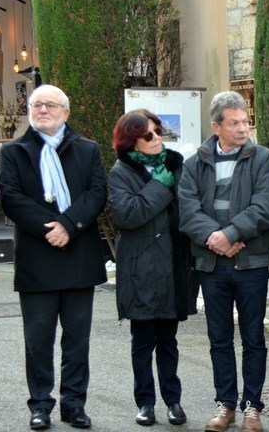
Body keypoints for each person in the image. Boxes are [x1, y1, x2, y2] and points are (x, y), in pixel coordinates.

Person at [0, 84, 107, 430]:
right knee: (38, 340)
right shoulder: (13, 152)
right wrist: (51, 228)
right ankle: (40, 404)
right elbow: (11, 197)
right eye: (37, 104)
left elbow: (96, 193)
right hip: (37, 257)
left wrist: (69, 225)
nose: (43, 110)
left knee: (77, 340)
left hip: (78, 256)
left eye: (50, 105)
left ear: (65, 112)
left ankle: (74, 404)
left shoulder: (87, 149)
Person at [178, 91, 269, 432]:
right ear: (216, 126)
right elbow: (187, 210)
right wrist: (215, 238)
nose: (242, 128)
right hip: (211, 265)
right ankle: (225, 406)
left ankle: (252, 408)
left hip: (250, 263)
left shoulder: (262, 158)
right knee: (219, 339)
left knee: (254, 338)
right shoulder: (195, 163)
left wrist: (231, 234)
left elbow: (267, 206)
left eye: (245, 121)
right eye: (234, 123)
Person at [108, 109, 198, 427]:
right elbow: (128, 215)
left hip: (173, 266)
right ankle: (145, 403)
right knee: (143, 342)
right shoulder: (121, 172)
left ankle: (173, 401)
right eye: (148, 135)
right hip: (141, 269)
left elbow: (189, 207)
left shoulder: (175, 164)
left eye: (159, 131)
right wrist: (160, 186)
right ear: (132, 141)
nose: (157, 138)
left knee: (169, 341)